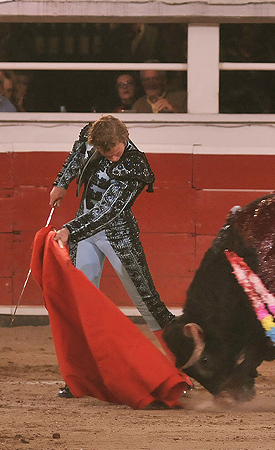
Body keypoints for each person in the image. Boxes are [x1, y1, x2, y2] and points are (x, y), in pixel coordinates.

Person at [49, 116, 177, 397]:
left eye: (116, 151)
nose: (113, 157)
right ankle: (81, 379)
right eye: (107, 153)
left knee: (148, 303)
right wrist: (61, 184)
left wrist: (71, 229)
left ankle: (181, 370)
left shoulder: (135, 164)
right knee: (81, 304)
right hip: (84, 230)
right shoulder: (89, 138)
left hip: (116, 235)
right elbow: (75, 157)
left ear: (125, 137)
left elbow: (108, 211)